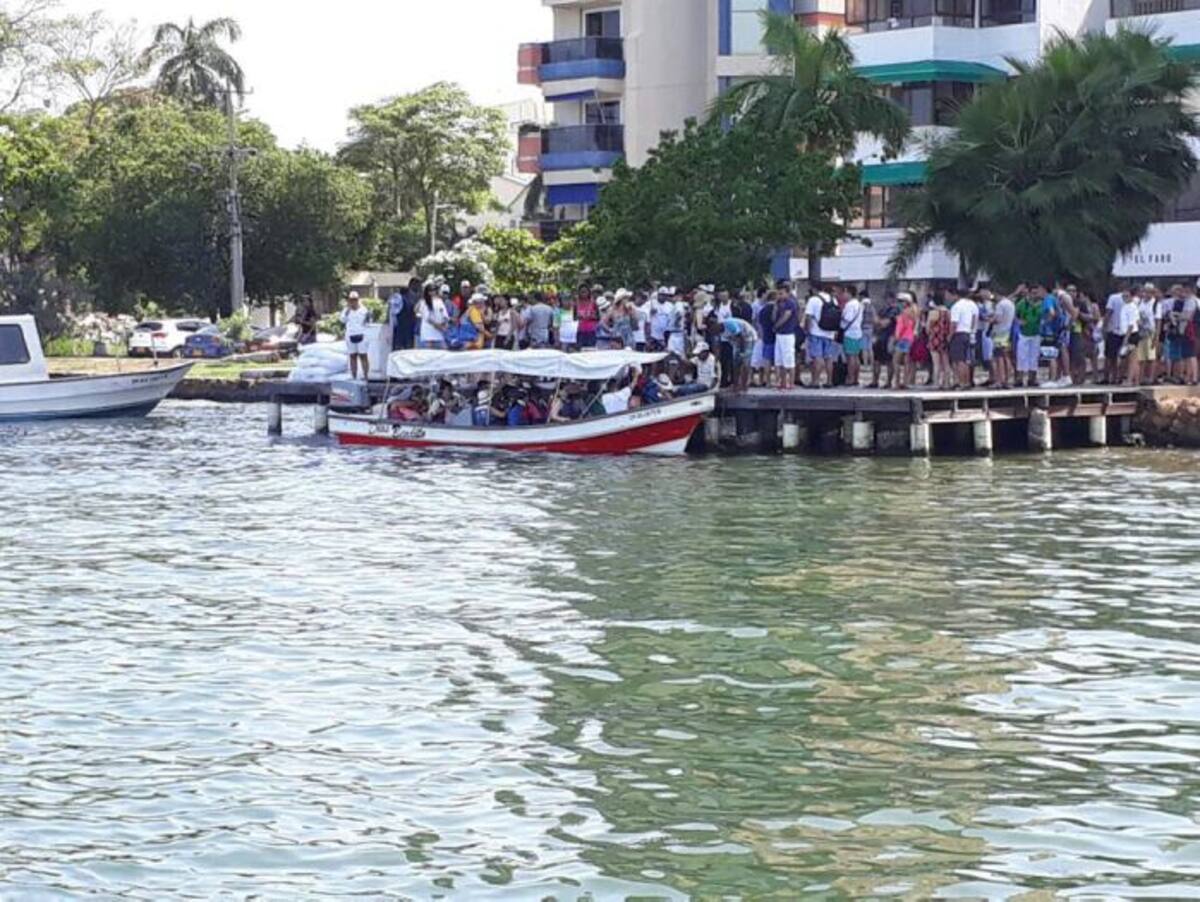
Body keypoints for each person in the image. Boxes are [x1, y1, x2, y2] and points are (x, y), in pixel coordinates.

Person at [804, 285, 838, 389]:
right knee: (828, 358)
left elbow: (808, 316)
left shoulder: (813, 300)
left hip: (816, 332)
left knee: (817, 357)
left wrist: (807, 330)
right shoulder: (834, 300)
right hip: (830, 333)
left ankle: (815, 382)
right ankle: (829, 381)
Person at [947, 287, 978, 390]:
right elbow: (974, 319)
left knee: (958, 360)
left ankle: (961, 382)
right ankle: (967, 382)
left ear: (955, 295)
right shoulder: (972, 305)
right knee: (965, 359)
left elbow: (954, 323)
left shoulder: (956, 306)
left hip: (958, 334)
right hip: (968, 333)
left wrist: (949, 336)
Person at [1015, 284, 1044, 387]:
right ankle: (1019, 379)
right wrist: (1019, 321)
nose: (1034, 295)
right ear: (1028, 292)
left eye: (1036, 293)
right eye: (1033, 293)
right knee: (1021, 356)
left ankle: (1032, 379)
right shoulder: (1022, 303)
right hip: (1024, 333)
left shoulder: (1041, 304)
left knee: (1034, 357)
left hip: (1036, 333)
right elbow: (1015, 315)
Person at [774, 283, 801, 390]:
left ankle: (791, 383)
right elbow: (774, 316)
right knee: (780, 360)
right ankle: (783, 382)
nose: (779, 295)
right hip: (780, 334)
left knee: (789, 359)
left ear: (787, 293)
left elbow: (786, 316)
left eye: (781, 293)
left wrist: (776, 325)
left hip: (787, 334)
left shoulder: (791, 303)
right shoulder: (779, 303)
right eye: (778, 293)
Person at [340, 291, 372, 381]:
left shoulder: (364, 310)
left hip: (362, 334)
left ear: (358, 300)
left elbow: (368, 321)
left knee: (363, 356)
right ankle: (354, 377)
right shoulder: (346, 310)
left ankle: (366, 376)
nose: (353, 302)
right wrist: (347, 310)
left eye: (355, 300)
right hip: (350, 335)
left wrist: (368, 317)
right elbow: (342, 320)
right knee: (352, 356)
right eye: (351, 300)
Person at [722, 316, 758, 393]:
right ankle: (735, 385)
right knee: (735, 363)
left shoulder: (729, 324)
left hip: (748, 337)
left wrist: (742, 353)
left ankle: (744, 386)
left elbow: (740, 336)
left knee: (745, 362)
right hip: (737, 341)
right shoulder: (719, 333)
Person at [871, 293, 899, 388]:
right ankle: (875, 381)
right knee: (876, 361)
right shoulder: (883, 309)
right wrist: (879, 322)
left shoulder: (895, 310)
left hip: (889, 337)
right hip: (879, 337)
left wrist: (879, 321)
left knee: (888, 361)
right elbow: (875, 321)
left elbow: (885, 323)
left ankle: (889, 382)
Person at [1104, 285, 1130, 384]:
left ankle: (1108, 377)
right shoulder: (1132, 299)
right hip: (1126, 331)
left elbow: (1108, 312)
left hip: (1113, 329)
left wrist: (1104, 327)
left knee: (1110, 356)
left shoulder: (1113, 298)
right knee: (1124, 356)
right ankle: (1120, 377)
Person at [891, 293, 918, 389]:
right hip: (910, 338)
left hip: (903, 338)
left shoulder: (905, 313)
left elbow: (901, 327)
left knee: (896, 361)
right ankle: (905, 382)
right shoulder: (913, 312)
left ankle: (897, 382)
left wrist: (896, 337)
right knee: (907, 361)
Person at [992, 290, 1016, 389]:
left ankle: (1000, 381)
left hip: (999, 334)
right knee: (1007, 356)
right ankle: (1007, 380)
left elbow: (998, 319)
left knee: (999, 357)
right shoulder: (1011, 304)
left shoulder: (1000, 305)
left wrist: (990, 320)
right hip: (1008, 332)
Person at [840, 290, 865, 388]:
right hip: (858, 332)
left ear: (850, 293)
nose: (844, 295)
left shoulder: (850, 305)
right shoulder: (859, 304)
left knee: (850, 357)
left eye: (845, 293)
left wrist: (841, 316)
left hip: (849, 332)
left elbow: (847, 318)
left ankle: (850, 378)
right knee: (856, 356)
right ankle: (856, 378)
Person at [417, 283, 450, 349]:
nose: (433, 292)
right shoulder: (423, 302)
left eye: (434, 290)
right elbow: (428, 318)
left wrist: (445, 323)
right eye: (430, 290)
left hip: (439, 334)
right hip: (427, 335)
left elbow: (445, 315)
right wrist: (439, 326)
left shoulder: (439, 301)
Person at [388, 282, 415, 353]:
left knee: (398, 350)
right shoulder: (410, 301)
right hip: (408, 329)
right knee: (407, 350)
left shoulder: (399, 300)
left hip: (400, 328)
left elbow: (394, 312)